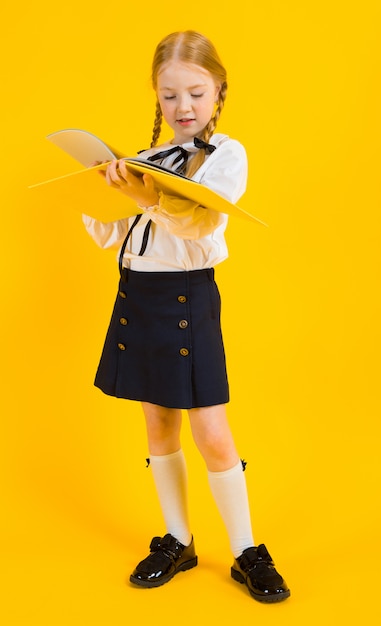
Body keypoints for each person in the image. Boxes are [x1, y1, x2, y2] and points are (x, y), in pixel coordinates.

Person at [83, 30, 290, 603]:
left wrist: (146, 195)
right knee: (158, 426)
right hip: (137, 298)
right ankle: (178, 539)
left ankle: (247, 550)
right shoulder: (144, 160)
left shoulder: (226, 156)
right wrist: (100, 187)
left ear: (219, 89)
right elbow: (112, 234)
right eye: (170, 96)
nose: (184, 108)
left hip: (186, 298)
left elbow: (201, 223)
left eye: (195, 93)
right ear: (156, 96)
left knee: (213, 434)